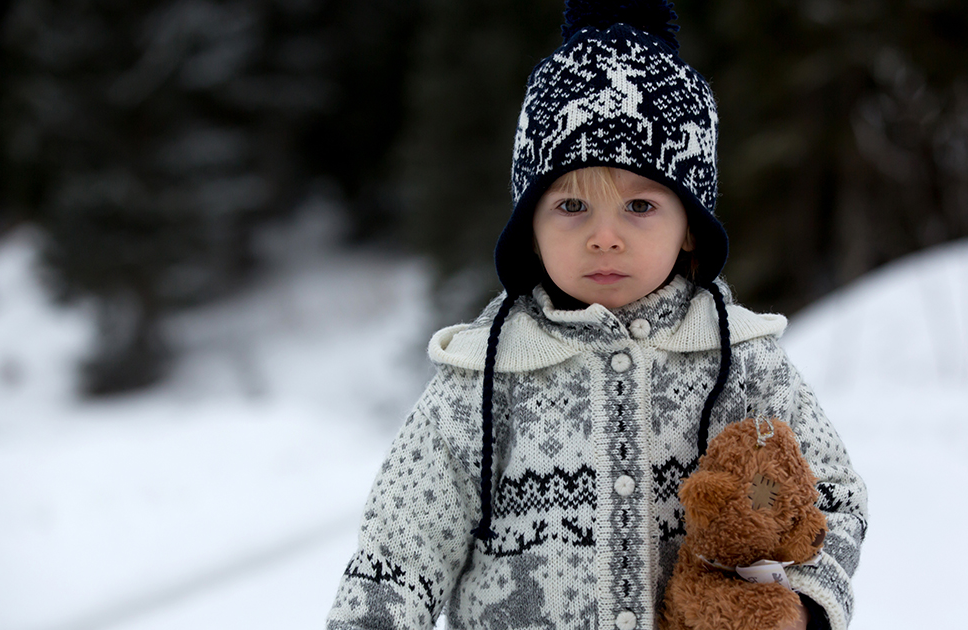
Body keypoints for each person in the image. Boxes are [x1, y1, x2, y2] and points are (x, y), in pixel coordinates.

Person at [325, 2, 867, 629]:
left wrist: (799, 605)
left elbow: (829, 497)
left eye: (639, 206)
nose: (604, 237)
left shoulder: (740, 361)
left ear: (689, 228)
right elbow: (401, 548)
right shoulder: (481, 379)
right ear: (530, 228)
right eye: (573, 205)